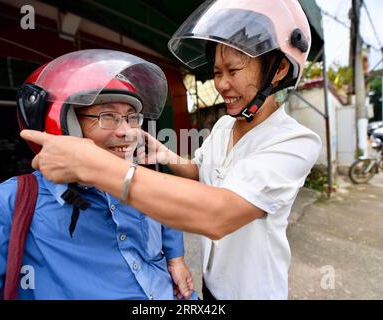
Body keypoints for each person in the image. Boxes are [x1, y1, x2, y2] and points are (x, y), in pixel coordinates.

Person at [20, 0, 322, 299]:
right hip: (212, 284)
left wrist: (93, 165)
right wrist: (165, 155)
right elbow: (200, 172)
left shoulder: (295, 141)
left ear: (279, 68)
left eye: (232, 70)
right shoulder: (223, 127)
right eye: (217, 72)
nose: (222, 84)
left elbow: (219, 214)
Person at [0, 49, 195, 300]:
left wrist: (175, 260)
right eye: (108, 116)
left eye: (131, 117)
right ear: (61, 123)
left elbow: (165, 213)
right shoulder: (4, 207)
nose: (127, 132)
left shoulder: (138, 181)